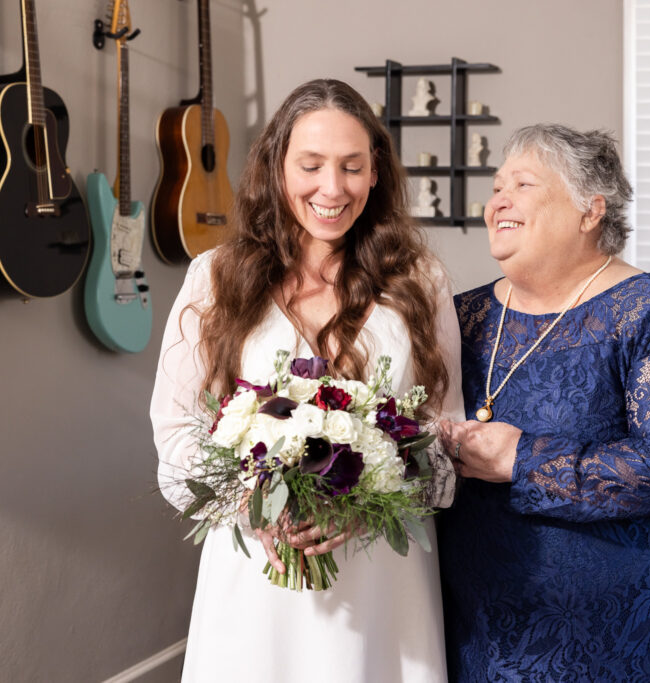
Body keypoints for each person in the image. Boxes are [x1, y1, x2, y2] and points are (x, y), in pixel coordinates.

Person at [151, 79, 464, 683]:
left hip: (381, 583)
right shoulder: (215, 277)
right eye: (311, 165)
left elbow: (443, 433)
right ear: (276, 167)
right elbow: (174, 431)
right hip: (256, 582)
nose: (332, 187)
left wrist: (371, 505)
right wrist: (252, 508)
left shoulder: (420, 281)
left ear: (376, 173)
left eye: (352, 166)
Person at [437, 124, 650, 681]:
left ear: (590, 210)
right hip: (482, 627)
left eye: (522, 184)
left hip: (624, 638)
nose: (497, 200)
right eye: (496, 186)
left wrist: (522, 461)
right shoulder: (462, 316)